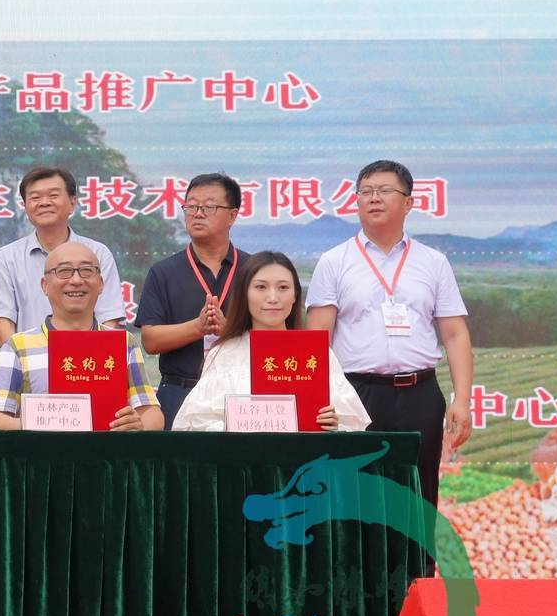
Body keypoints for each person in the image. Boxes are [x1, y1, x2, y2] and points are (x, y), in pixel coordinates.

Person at [307, 160, 472, 506]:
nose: (373, 198)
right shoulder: (334, 261)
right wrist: (319, 401)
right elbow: (317, 339)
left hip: (420, 394)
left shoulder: (433, 262)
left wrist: (462, 399)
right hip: (356, 394)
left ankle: (417, 547)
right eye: (365, 192)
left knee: (418, 494)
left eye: (384, 190)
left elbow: (455, 334)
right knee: (357, 496)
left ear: (408, 203)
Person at [0, 240, 162, 431]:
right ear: (45, 285)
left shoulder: (122, 342)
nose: (76, 280)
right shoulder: (18, 345)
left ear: (100, 284)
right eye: (64, 271)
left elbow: (151, 413)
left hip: (108, 450)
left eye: (86, 270)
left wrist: (139, 425)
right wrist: (37, 423)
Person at [174, 251, 369, 432]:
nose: (273, 298)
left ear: (295, 296)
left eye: (283, 287)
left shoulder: (317, 353)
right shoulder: (225, 353)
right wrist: (232, 427)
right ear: (244, 294)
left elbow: (352, 425)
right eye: (261, 287)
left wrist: (335, 425)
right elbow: (196, 424)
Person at [135, 173, 251, 423]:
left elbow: (274, 339)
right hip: (179, 392)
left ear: (232, 215)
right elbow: (150, 341)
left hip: (241, 395)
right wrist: (198, 328)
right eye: (191, 206)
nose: (197, 213)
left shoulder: (254, 270)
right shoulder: (164, 272)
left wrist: (229, 331)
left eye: (209, 207)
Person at [0, 167, 125, 346]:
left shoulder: (98, 253)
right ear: (24, 206)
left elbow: (109, 321)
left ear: (72, 202)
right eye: (35, 198)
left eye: (53, 195)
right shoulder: (5, 259)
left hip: (89, 360)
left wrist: (78, 358)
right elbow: (2, 328)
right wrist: (33, 359)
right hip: (27, 361)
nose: (44, 203)